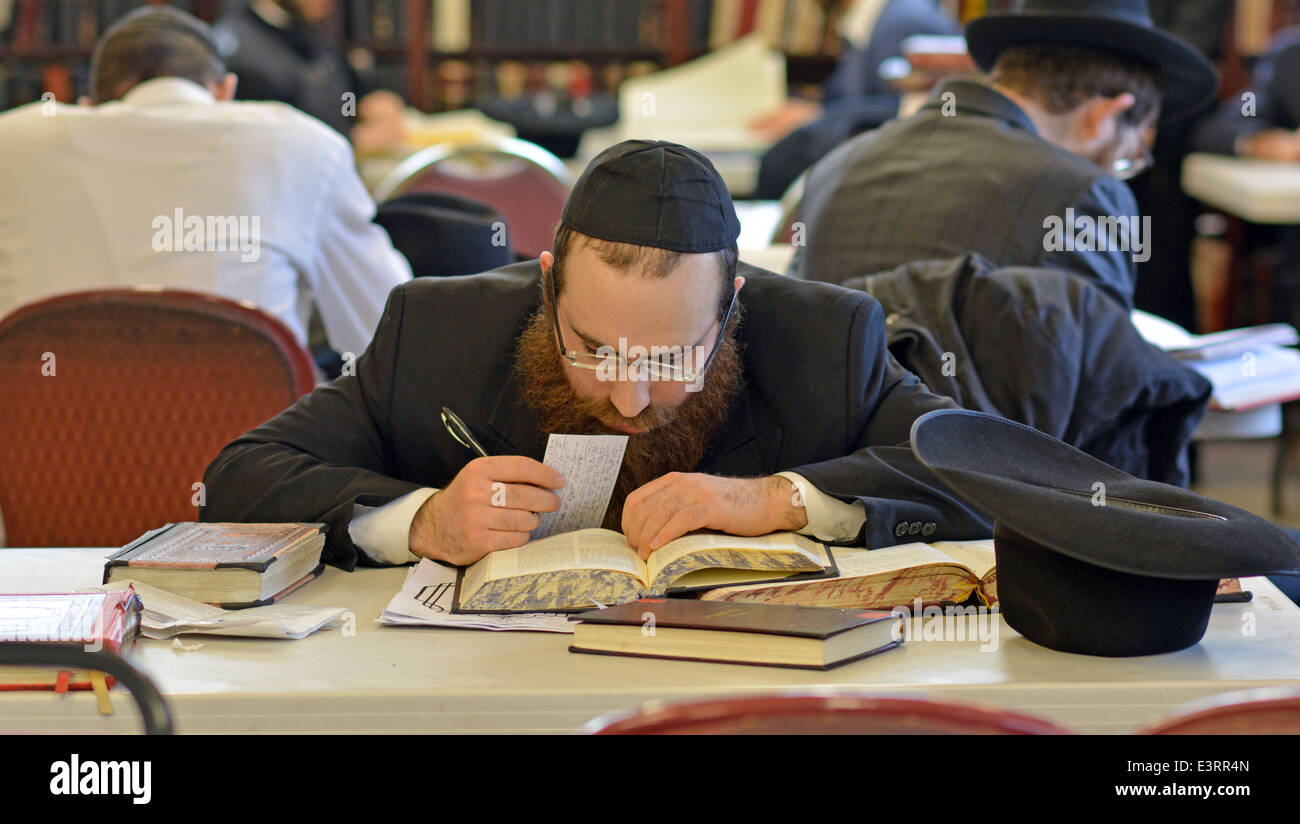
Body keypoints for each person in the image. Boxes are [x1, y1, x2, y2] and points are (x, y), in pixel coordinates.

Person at [199, 140, 993, 570]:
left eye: (675, 358)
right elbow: (239, 477)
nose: (631, 400)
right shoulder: (434, 329)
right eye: (595, 350)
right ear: (547, 289)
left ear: (733, 306)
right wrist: (424, 522)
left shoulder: (828, 338)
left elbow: (991, 475)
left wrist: (780, 500)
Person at [0, 6, 411, 358]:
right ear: (225, 92)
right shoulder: (303, 143)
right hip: (244, 444)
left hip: (41, 442)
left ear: (89, 106)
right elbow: (389, 329)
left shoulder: (12, 143)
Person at [790, 0, 1218, 312]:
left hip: (822, 438)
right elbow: (1103, 395)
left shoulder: (839, 163)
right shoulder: (1084, 195)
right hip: (974, 438)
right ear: (1109, 114)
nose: (1118, 172)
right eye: (1128, 158)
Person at [215, 0, 405, 152]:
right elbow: (269, 145)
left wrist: (364, 106)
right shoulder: (237, 51)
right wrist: (352, 140)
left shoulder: (306, 29)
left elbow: (346, 93)